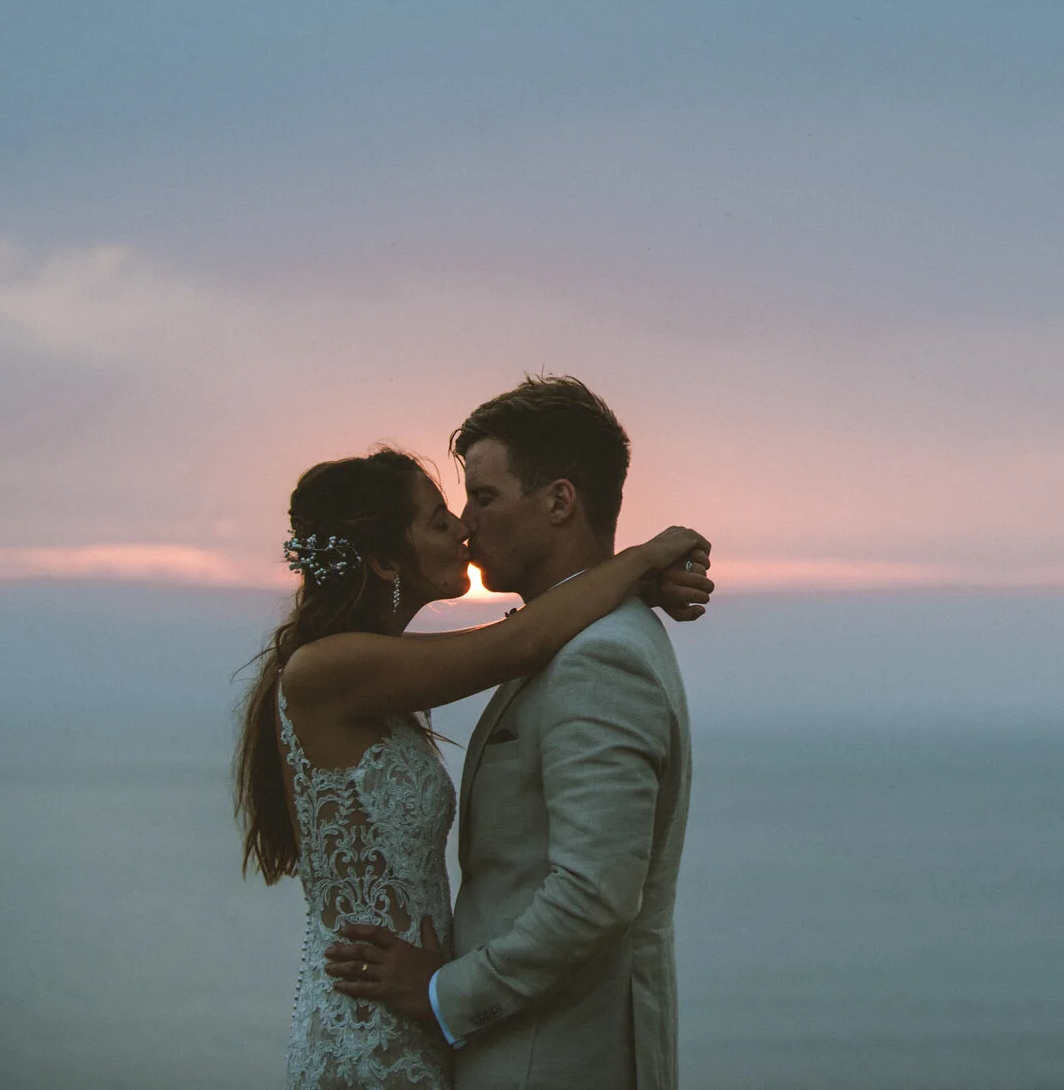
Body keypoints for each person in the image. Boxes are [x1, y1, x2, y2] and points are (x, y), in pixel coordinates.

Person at [235, 439, 712, 1090]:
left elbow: (527, 634)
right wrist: (640, 562)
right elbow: (520, 640)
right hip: (368, 1030)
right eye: (438, 519)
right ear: (382, 558)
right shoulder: (328, 667)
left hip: (418, 1014)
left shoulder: (379, 675)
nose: (462, 525)